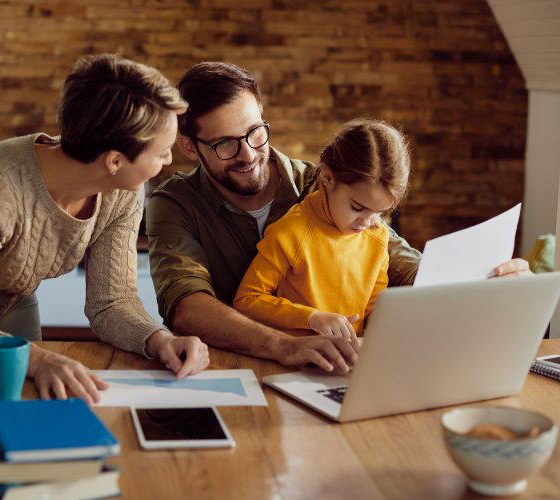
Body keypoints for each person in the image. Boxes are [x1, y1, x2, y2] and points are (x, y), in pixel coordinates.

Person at [0, 54, 210, 403]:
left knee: (33, 406)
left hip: (8, 302)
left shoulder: (123, 190)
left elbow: (111, 301)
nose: (169, 161)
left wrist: (159, 339)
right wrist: (39, 358)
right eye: (163, 151)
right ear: (115, 160)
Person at [145, 61, 531, 373]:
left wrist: (482, 281)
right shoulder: (173, 203)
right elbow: (187, 306)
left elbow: (400, 264)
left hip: (333, 367)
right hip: (222, 372)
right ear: (190, 148)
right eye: (225, 144)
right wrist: (286, 345)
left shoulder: (323, 186)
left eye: (256, 132)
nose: (248, 154)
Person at [234, 119, 410, 347]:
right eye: (357, 208)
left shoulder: (377, 237)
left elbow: (375, 309)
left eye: (380, 213)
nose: (368, 222)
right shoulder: (290, 233)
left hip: (348, 363)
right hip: (295, 362)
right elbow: (247, 300)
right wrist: (312, 318)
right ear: (326, 178)